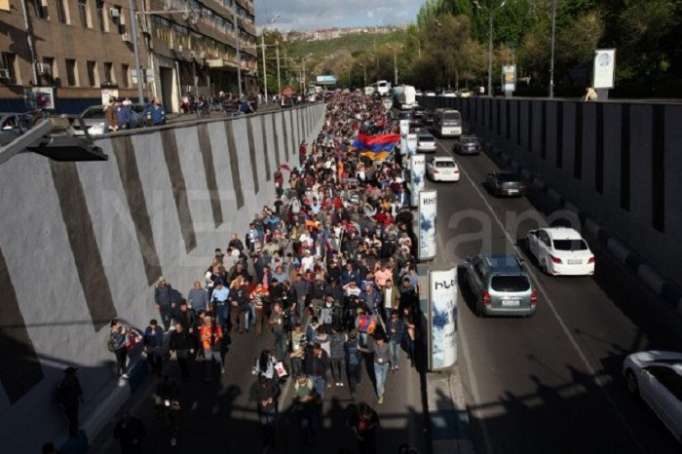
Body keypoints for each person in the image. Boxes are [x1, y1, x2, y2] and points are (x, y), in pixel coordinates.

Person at [56, 367, 83, 437]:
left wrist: (80, 396)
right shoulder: (64, 384)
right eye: (72, 373)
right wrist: (61, 403)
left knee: (75, 418)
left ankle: (75, 433)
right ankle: (73, 434)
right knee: (72, 420)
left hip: (74, 401)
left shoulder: (74, 379)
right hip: (68, 404)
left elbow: (78, 387)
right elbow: (60, 394)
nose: (74, 374)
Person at [255, 374, 278, 449]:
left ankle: (273, 442)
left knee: (271, 426)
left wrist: (272, 397)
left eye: (265, 383)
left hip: (271, 408)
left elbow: (276, 390)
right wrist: (261, 401)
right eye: (262, 384)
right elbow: (253, 396)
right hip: (262, 409)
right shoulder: (256, 386)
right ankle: (266, 442)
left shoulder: (270, 383)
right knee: (264, 427)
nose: (264, 385)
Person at [199, 315, 224, 381]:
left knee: (218, 358)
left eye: (208, 320)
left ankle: (221, 368)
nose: (207, 322)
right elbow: (201, 339)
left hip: (215, 346)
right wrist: (208, 337)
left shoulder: (217, 327)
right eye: (206, 321)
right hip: (207, 347)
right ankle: (208, 376)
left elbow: (221, 335)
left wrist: (217, 335)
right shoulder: (203, 328)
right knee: (208, 362)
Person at [370, 336, 390, 404]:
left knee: (383, 380)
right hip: (377, 365)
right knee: (378, 383)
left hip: (385, 365)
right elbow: (369, 350)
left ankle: (382, 388)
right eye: (377, 340)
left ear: (383, 340)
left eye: (379, 340)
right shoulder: (374, 345)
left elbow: (390, 355)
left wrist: (390, 363)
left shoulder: (387, 346)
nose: (378, 342)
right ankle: (380, 396)